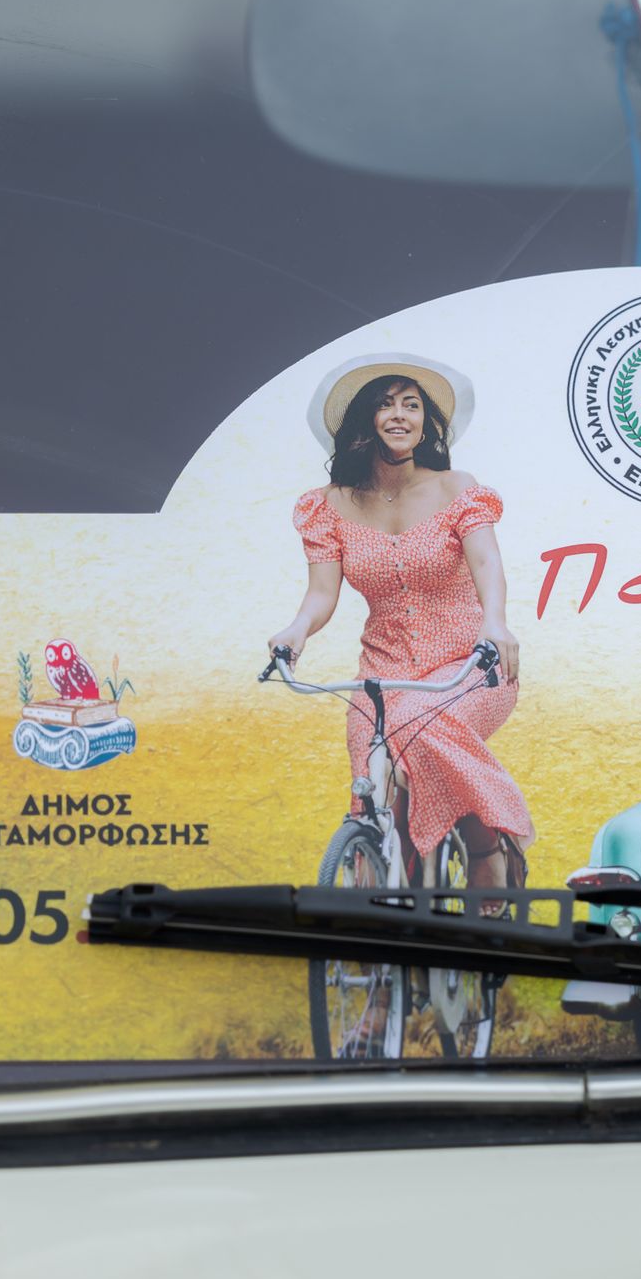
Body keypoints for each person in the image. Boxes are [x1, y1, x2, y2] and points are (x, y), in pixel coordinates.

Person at [268, 356, 534, 890]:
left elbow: (487, 563)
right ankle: (384, 909)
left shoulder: (456, 488)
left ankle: (487, 849)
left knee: (418, 724)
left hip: (470, 663)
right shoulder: (328, 507)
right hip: (382, 674)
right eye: (385, 404)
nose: (399, 415)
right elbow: (322, 593)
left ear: (425, 423)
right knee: (375, 791)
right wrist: (296, 630)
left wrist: (496, 624)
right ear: (363, 421)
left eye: (411, 405)